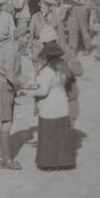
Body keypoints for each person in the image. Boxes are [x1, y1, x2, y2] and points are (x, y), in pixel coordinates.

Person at [30, 42, 76, 170]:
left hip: (49, 105)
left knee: (49, 134)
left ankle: (49, 163)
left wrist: (28, 92)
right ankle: (64, 162)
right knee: (61, 134)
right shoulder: (64, 66)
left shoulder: (47, 71)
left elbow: (43, 91)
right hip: (61, 103)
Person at [0, 27, 30, 170]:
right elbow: (10, 76)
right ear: (20, 37)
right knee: (6, 122)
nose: (28, 40)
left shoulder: (16, 49)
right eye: (27, 37)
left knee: (6, 121)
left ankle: (0, 156)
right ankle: (7, 160)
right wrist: (24, 86)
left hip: (6, 86)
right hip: (2, 86)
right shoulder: (10, 50)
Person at [36, 25, 83, 126]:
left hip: (68, 95)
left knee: (68, 127)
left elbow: (79, 70)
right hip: (51, 100)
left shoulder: (66, 51)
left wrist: (67, 67)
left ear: (55, 40)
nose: (49, 45)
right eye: (46, 43)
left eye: (51, 42)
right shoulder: (42, 55)